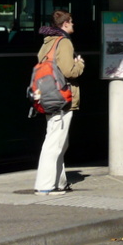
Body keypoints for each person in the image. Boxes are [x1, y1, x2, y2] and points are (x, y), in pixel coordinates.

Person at [34, 10, 84, 195]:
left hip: (48, 95)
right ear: (64, 24)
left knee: (59, 142)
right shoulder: (64, 43)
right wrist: (80, 64)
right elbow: (68, 71)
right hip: (61, 98)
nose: (73, 25)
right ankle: (45, 185)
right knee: (54, 143)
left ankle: (59, 182)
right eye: (71, 22)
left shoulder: (47, 42)